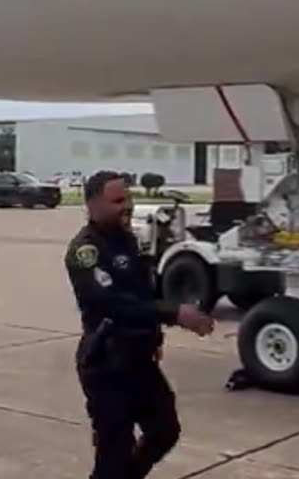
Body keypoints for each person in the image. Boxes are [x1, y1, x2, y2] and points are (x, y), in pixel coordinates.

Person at [65, 170, 215, 479]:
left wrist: (154, 336)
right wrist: (174, 314)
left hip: (139, 360)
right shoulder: (85, 250)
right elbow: (114, 304)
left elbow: (140, 292)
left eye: (129, 198)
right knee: (113, 454)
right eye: (118, 200)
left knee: (164, 431)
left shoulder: (127, 241)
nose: (128, 206)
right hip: (107, 364)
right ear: (93, 204)